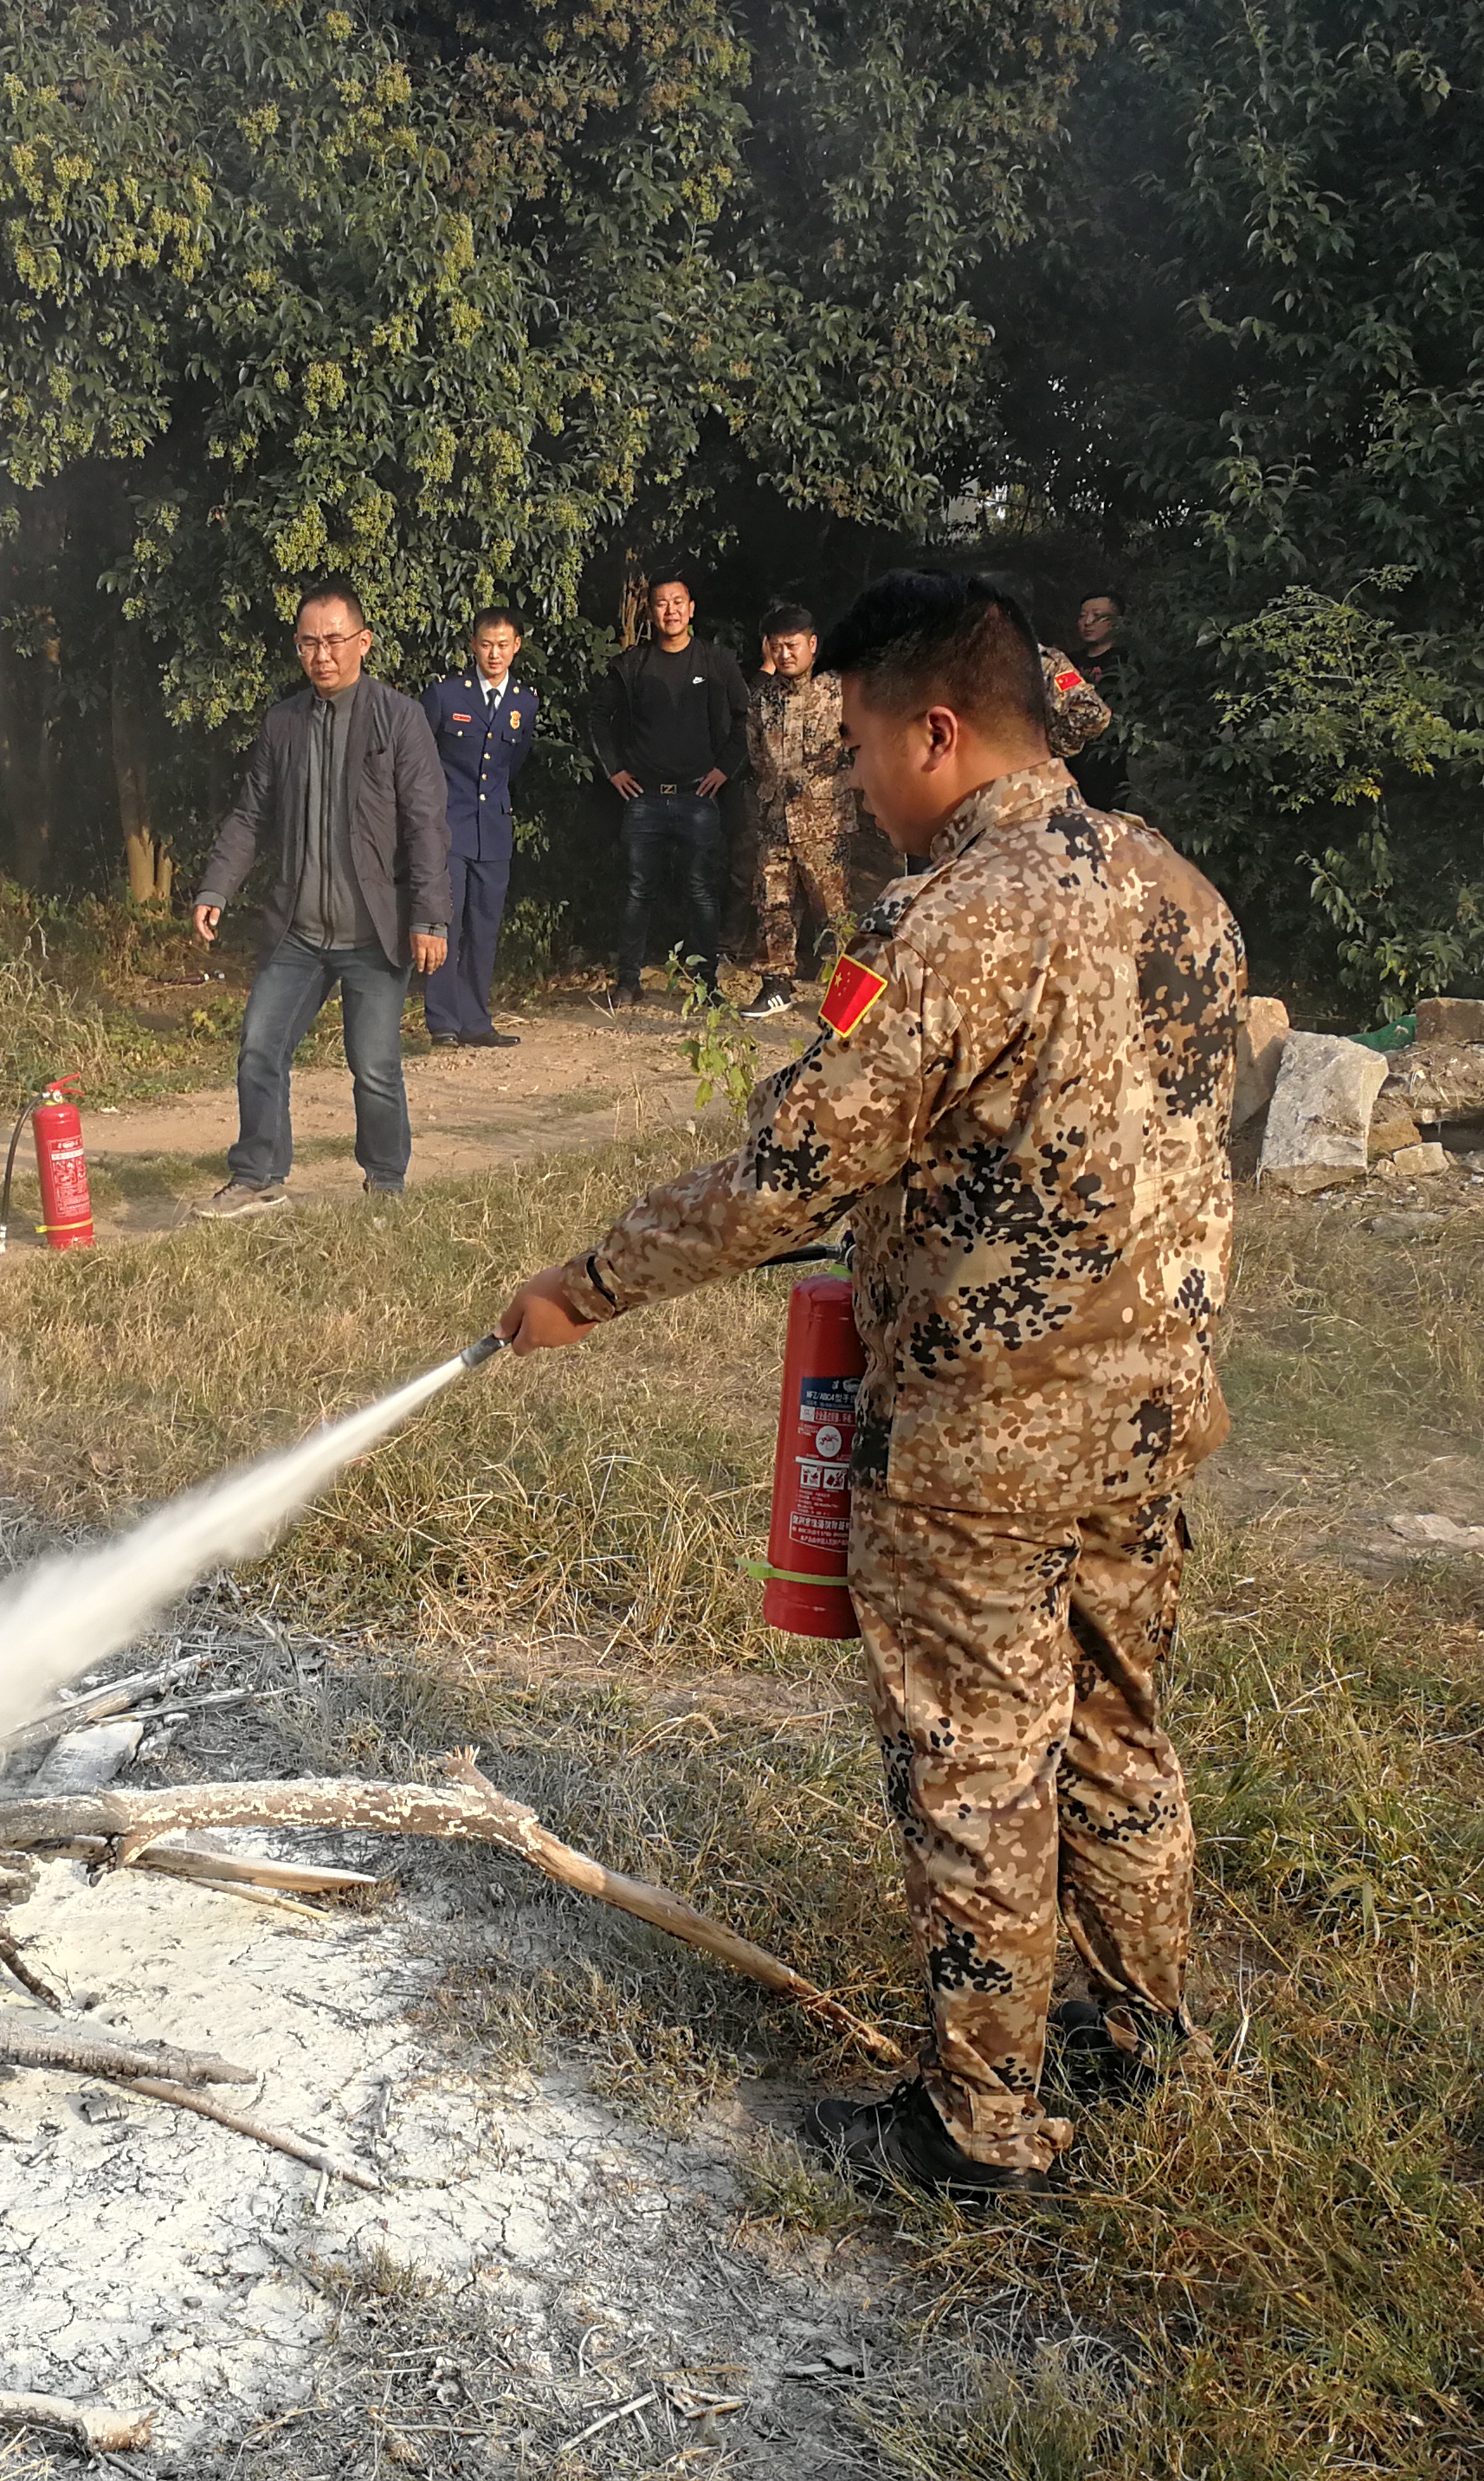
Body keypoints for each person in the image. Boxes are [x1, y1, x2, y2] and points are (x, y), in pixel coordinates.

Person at [497, 569, 1247, 2199]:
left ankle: (980, 2131)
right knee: (1117, 1724)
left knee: (977, 1761)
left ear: (937, 732)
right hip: (1150, 1409)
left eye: (857, 747)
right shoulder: (1178, 887)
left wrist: (585, 1287)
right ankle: (1141, 2037)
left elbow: (792, 1166)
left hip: (987, 1433)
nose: (849, 782)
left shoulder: (952, 921)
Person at [190, 583, 451, 1218]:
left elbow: (426, 824)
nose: (322, 654)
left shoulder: (399, 718)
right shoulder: (282, 722)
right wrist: (217, 885)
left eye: (334, 640)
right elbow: (251, 815)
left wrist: (430, 916)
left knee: (375, 1066)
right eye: (309, 642)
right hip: (298, 932)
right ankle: (257, 1177)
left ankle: (385, 1185)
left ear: (363, 642)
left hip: (375, 934)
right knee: (260, 1048)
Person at [590, 573, 747, 1006]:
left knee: (701, 891)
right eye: (662, 603)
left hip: (699, 796)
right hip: (644, 798)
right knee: (637, 890)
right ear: (651, 611)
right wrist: (614, 770)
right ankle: (628, 981)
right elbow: (599, 717)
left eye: (678, 602)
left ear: (691, 608)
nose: (671, 610)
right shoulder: (633, 665)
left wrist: (725, 768)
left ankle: (707, 984)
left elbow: (745, 719)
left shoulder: (716, 662)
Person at [420, 610, 535, 1048]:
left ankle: (476, 1021)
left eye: (503, 645)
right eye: (487, 644)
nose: (494, 654)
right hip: (449, 826)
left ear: (516, 646)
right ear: (473, 645)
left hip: (494, 831)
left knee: (485, 928)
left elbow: (513, 763)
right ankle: (444, 1021)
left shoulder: (524, 703)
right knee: (446, 924)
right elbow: (419, 758)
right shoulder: (446, 694)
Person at [734, 602, 845, 1019]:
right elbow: (756, 754)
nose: (784, 654)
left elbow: (860, 746)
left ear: (812, 644)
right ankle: (776, 986)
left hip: (825, 820)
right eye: (777, 646)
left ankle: (843, 993)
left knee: (833, 910)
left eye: (792, 645)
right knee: (773, 903)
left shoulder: (838, 690)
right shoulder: (762, 697)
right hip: (775, 819)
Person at [1062, 591, 1131, 811]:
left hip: (1110, 761)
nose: (1088, 622)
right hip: (1071, 761)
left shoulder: (1127, 661)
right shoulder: (1068, 663)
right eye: (1083, 615)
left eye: (1097, 615)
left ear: (1116, 621)